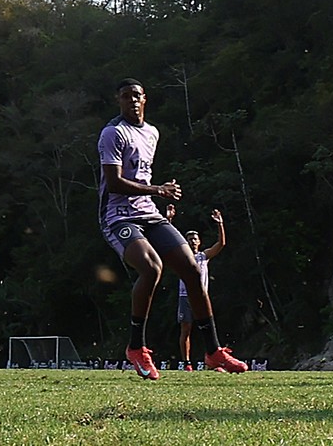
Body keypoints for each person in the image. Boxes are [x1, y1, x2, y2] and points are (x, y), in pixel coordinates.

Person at [100, 80, 248, 379]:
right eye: (126, 96)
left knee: (192, 270)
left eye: (137, 95)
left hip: (150, 214)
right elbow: (114, 183)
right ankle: (136, 348)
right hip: (118, 217)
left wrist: (156, 195)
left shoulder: (152, 132)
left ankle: (213, 351)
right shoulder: (113, 133)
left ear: (145, 99)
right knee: (151, 268)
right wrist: (158, 189)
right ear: (118, 100)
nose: (133, 100)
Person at [175, 209, 230, 368]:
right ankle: (186, 363)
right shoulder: (181, 257)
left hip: (201, 296)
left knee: (208, 329)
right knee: (186, 329)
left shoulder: (203, 256)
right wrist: (169, 219)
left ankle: (214, 361)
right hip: (185, 296)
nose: (192, 241)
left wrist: (220, 224)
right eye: (189, 239)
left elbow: (221, 244)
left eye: (195, 239)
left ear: (199, 242)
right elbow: (164, 248)